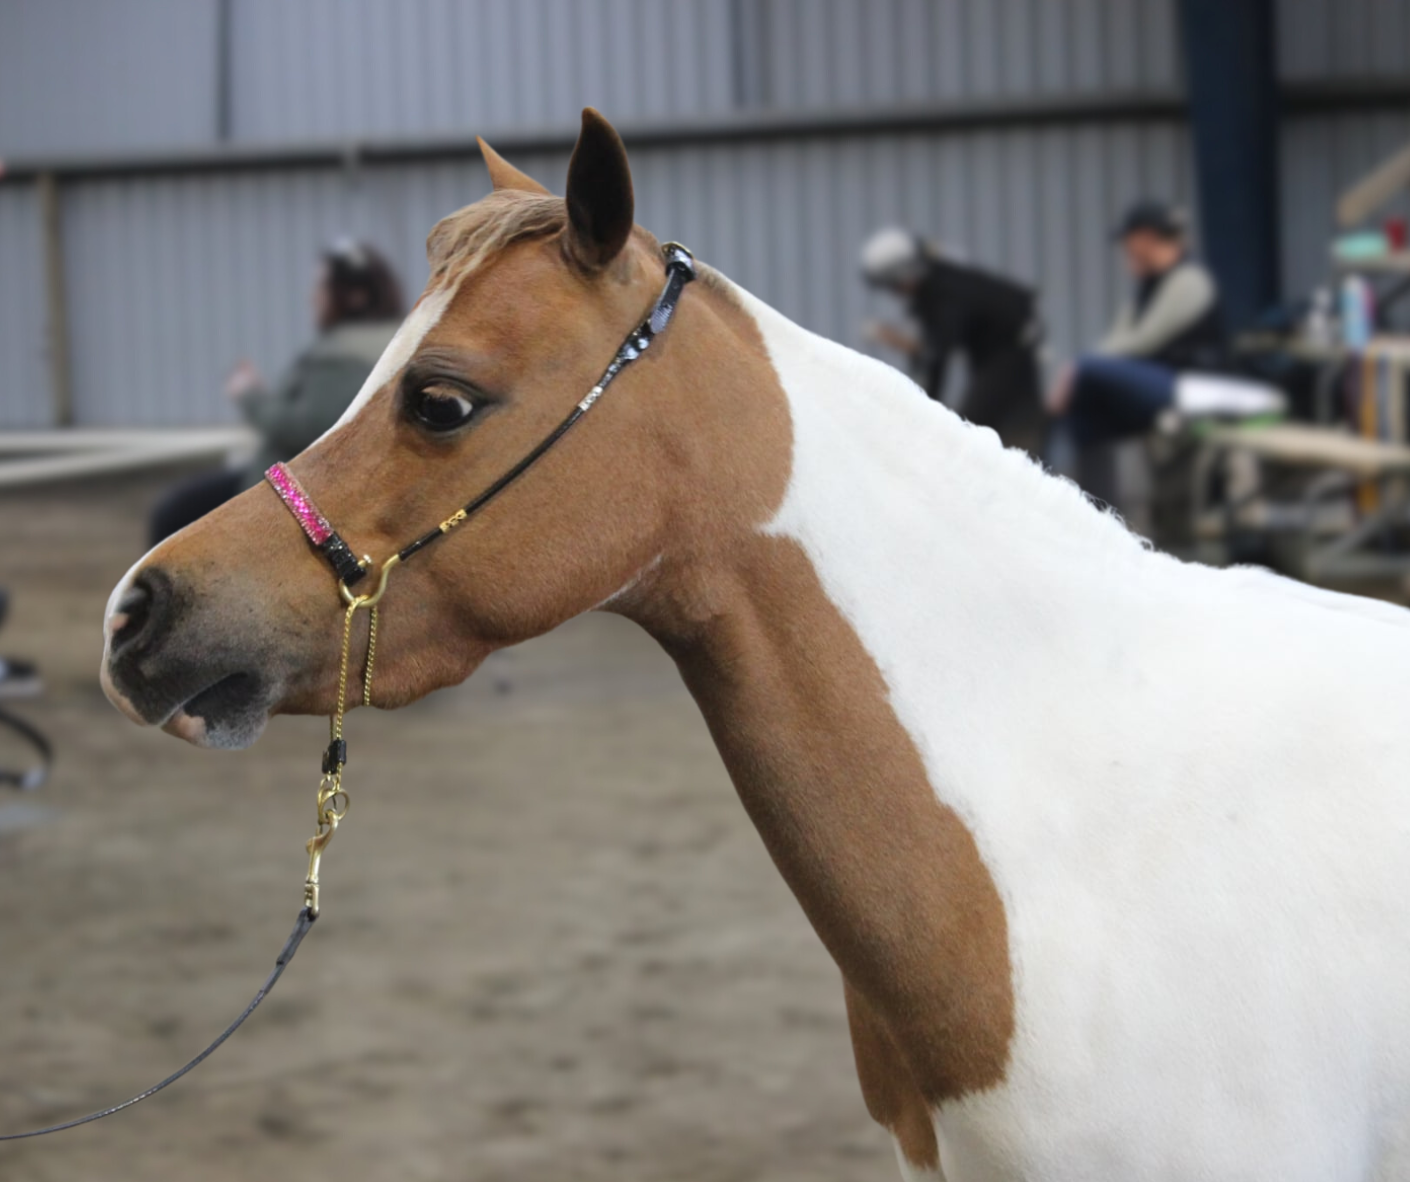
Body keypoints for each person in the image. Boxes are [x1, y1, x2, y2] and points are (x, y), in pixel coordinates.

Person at [149, 240, 404, 545]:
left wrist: (249, 396)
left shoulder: (345, 354)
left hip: (288, 495)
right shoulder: (390, 340)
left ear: (354, 296)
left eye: (322, 288)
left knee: (173, 515)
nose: (314, 298)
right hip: (309, 490)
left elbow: (304, 429)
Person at [861, 228, 1045, 457]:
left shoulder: (944, 293)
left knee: (975, 428)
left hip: (1009, 352)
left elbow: (937, 356)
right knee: (982, 426)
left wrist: (925, 409)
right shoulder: (939, 283)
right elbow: (933, 351)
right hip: (997, 351)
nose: (895, 294)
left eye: (893, 286)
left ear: (904, 274)